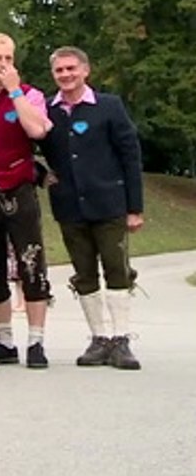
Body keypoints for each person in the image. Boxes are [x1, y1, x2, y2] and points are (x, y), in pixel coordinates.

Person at [40, 46, 144, 370]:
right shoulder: (47, 110)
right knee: (84, 274)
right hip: (70, 206)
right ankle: (99, 338)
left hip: (109, 203)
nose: (66, 75)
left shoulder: (108, 107)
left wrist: (135, 207)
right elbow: (24, 144)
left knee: (116, 269)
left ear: (86, 70)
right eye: (60, 71)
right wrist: (41, 175)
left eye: (71, 69)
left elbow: (130, 155)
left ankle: (121, 339)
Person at [0, 34, 53, 369]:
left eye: (8, 58)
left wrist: (15, 90)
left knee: (30, 260)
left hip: (18, 186)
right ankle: (4, 339)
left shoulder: (29, 94)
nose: (3, 65)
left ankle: (36, 340)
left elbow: (37, 131)